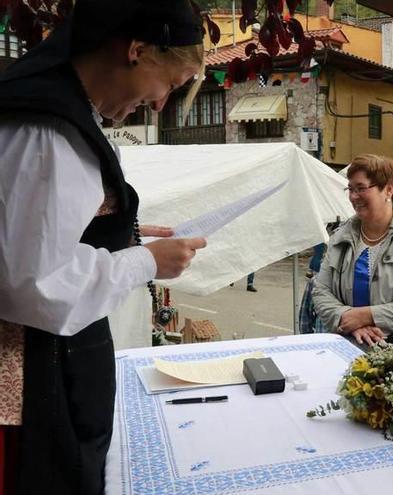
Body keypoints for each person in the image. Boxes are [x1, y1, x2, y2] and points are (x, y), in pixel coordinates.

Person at [0, 1, 208, 493]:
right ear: (136, 50)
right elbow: (32, 282)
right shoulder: (47, 131)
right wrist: (144, 262)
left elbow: (35, 228)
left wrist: (122, 233)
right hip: (22, 390)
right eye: (170, 86)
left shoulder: (57, 115)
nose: (160, 105)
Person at [312, 154, 393, 355]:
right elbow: (321, 291)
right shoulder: (340, 237)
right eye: (351, 189)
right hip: (350, 339)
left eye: (361, 188)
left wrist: (365, 316)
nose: (353, 196)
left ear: (388, 189)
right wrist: (347, 319)